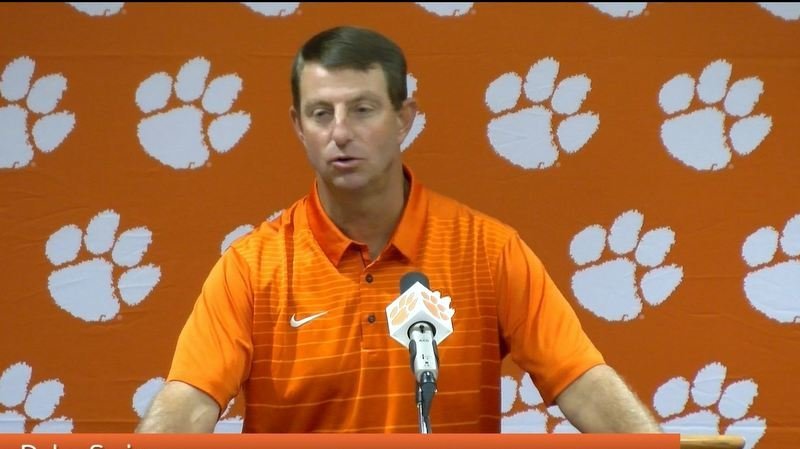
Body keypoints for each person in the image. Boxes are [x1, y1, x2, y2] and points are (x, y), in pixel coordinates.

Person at [136, 25, 662, 434]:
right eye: (320, 113)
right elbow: (189, 401)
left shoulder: (489, 250)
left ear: (404, 118)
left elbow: (582, 382)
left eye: (362, 109)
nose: (340, 132)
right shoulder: (251, 268)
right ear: (298, 126)